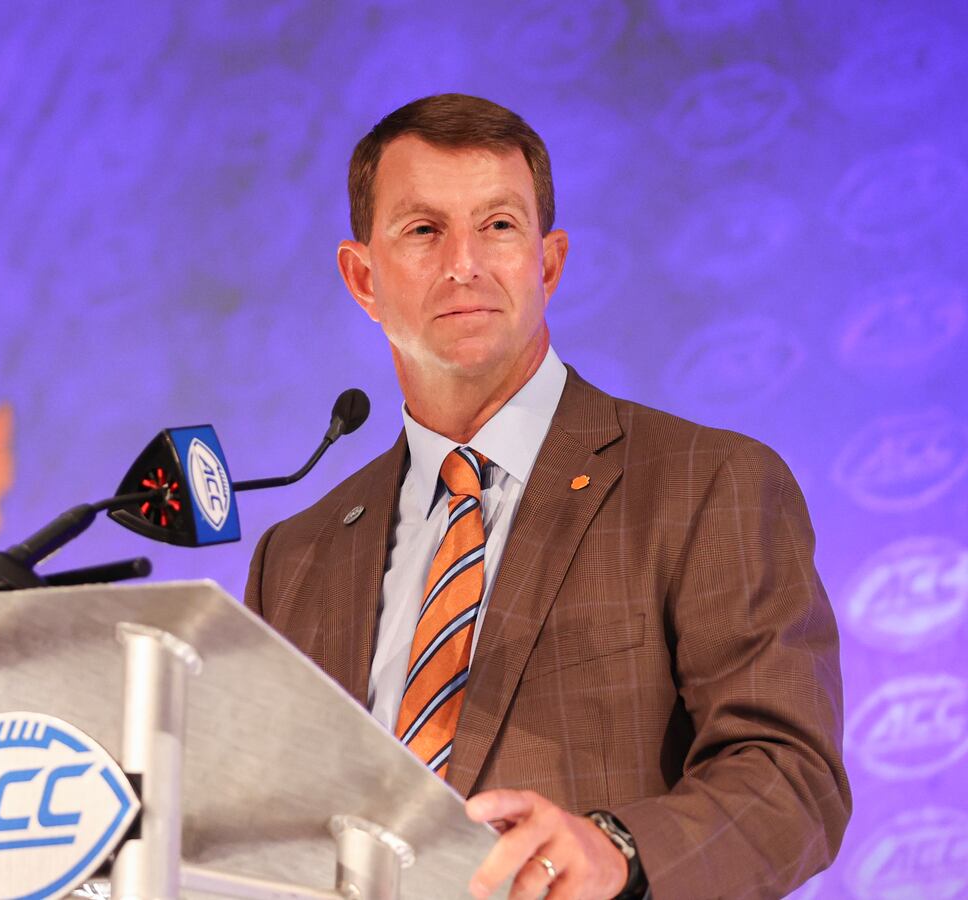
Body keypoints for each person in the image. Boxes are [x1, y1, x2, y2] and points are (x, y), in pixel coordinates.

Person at [243, 94, 850, 900]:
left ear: (548, 263)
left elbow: (791, 778)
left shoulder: (706, 482)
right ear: (362, 277)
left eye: (498, 226)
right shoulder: (297, 556)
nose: (465, 262)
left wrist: (616, 852)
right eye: (424, 231)